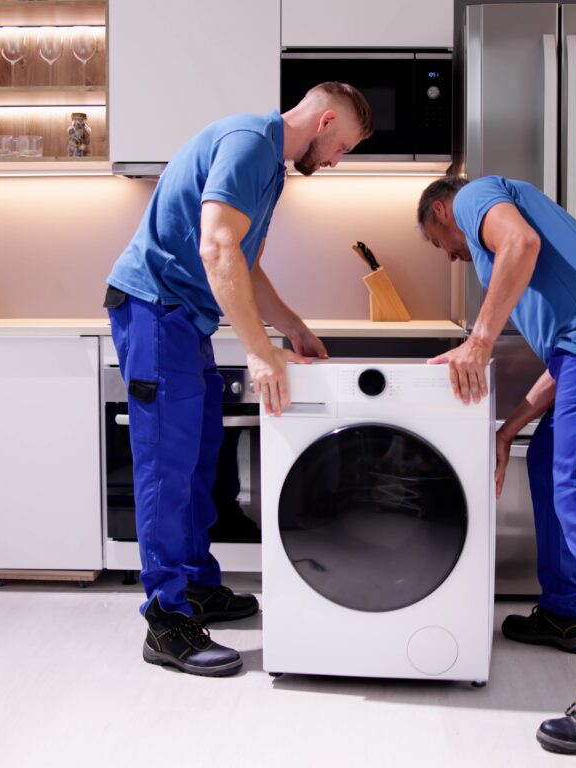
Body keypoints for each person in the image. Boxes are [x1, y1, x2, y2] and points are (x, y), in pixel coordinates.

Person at [104, 82, 373, 677]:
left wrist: (292, 329)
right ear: (325, 120)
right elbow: (218, 245)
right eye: (343, 147)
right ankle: (166, 621)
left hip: (182, 319)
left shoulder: (270, 168)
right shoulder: (252, 142)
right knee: (166, 471)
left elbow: (246, 267)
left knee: (203, 458)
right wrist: (258, 352)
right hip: (154, 311)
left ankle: (197, 585)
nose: (335, 161)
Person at [419, 175, 576, 755]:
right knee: (548, 457)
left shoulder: (476, 194)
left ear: (441, 209)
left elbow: (521, 247)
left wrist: (479, 342)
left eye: (441, 243)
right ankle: (564, 612)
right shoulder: (558, 285)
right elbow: (567, 362)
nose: (453, 254)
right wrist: (508, 430)